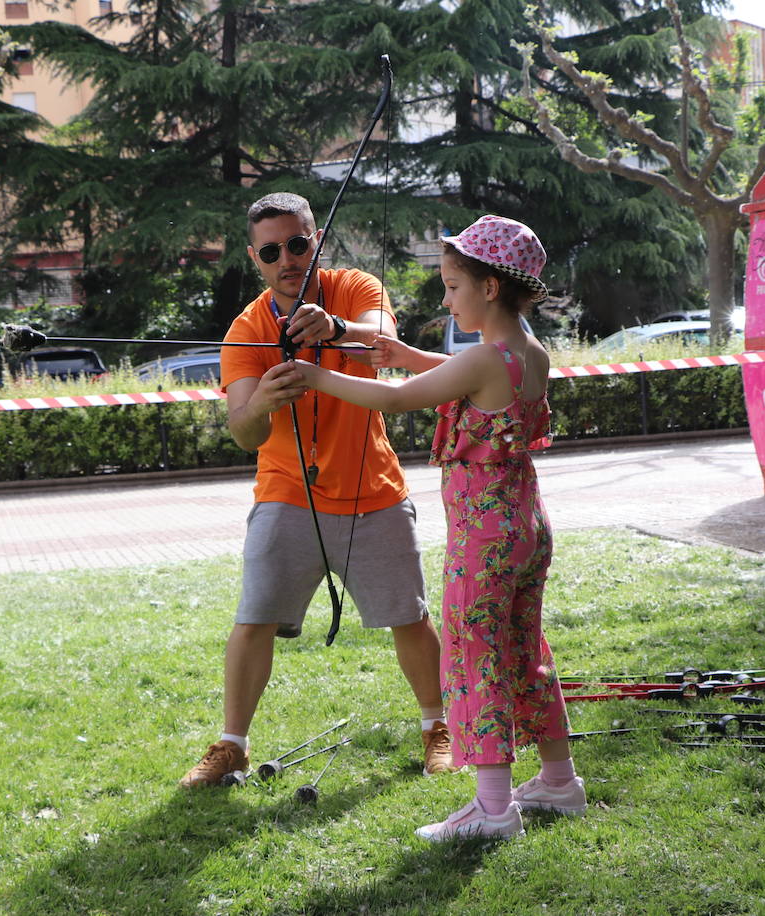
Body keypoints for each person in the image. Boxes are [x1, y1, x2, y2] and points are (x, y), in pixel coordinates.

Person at [273, 215, 584, 842]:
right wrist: (410, 356)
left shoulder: (481, 361)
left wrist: (313, 376)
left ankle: (494, 810)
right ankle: (558, 781)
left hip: (485, 538)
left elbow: (395, 400)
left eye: (452, 285)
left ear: (489, 288)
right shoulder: (528, 353)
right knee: (525, 650)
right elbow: (463, 370)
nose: (445, 298)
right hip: (526, 527)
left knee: (475, 654)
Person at [179, 192, 455, 788]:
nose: (288, 259)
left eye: (299, 244)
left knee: (408, 616)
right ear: (256, 259)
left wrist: (335, 328)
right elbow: (242, 433)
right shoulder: (246, 329)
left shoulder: (355, 287)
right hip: (285, 493)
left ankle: (439, 727)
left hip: (372, 488)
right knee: (253, 618)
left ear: (316, 241)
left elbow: (380, 337)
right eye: (272, 250)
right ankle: (232, 746)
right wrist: (264, 402)